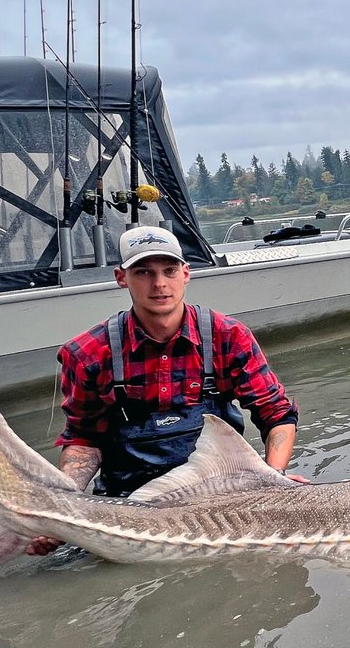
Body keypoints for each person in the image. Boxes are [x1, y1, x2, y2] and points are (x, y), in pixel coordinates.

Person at [28, 225, 300, 555]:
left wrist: (274, 480)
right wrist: (63, 508)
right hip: (128, 505)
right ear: (121, 277)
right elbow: (83, 441)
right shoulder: (87, 353)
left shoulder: (227, 337)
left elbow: (276, 413)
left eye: (169, 270)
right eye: (143, 272)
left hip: (221, 497)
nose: (159, 284)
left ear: (186, 274)